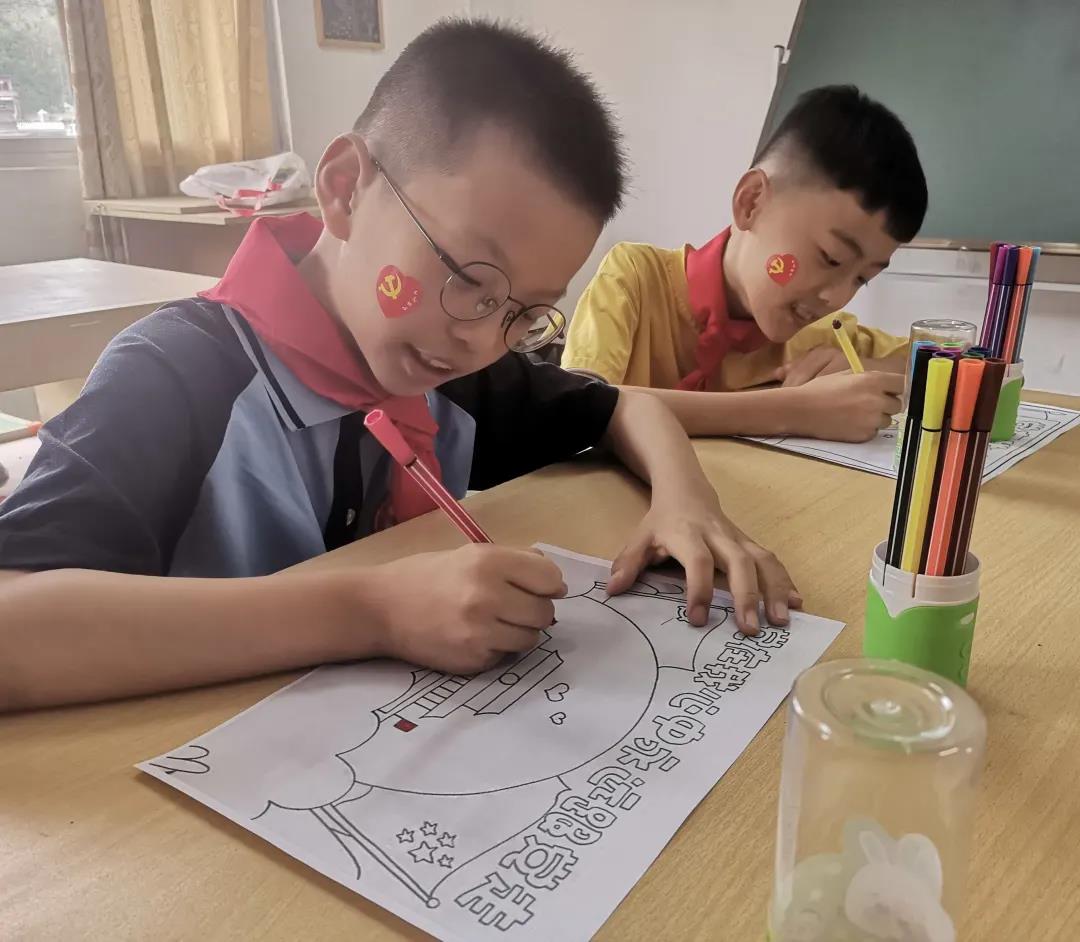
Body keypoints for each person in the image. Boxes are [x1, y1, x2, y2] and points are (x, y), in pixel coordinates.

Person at [0, 19, 798, 712]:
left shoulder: (452, 373)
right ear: (346, 188)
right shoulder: (177, 376)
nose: (483, 339)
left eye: (524, 313)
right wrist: (371, 611)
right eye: (469, 278)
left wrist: (687, 501)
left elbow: (622, 405)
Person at [562, 85, 928, 443]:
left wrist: (868, 371)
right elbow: (578, 406)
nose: (837, 297)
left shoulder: (820, 337)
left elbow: (954, 365)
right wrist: (795, 410)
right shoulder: (635, 279)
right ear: (751, 202)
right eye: (831, 258)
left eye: (862, 279)